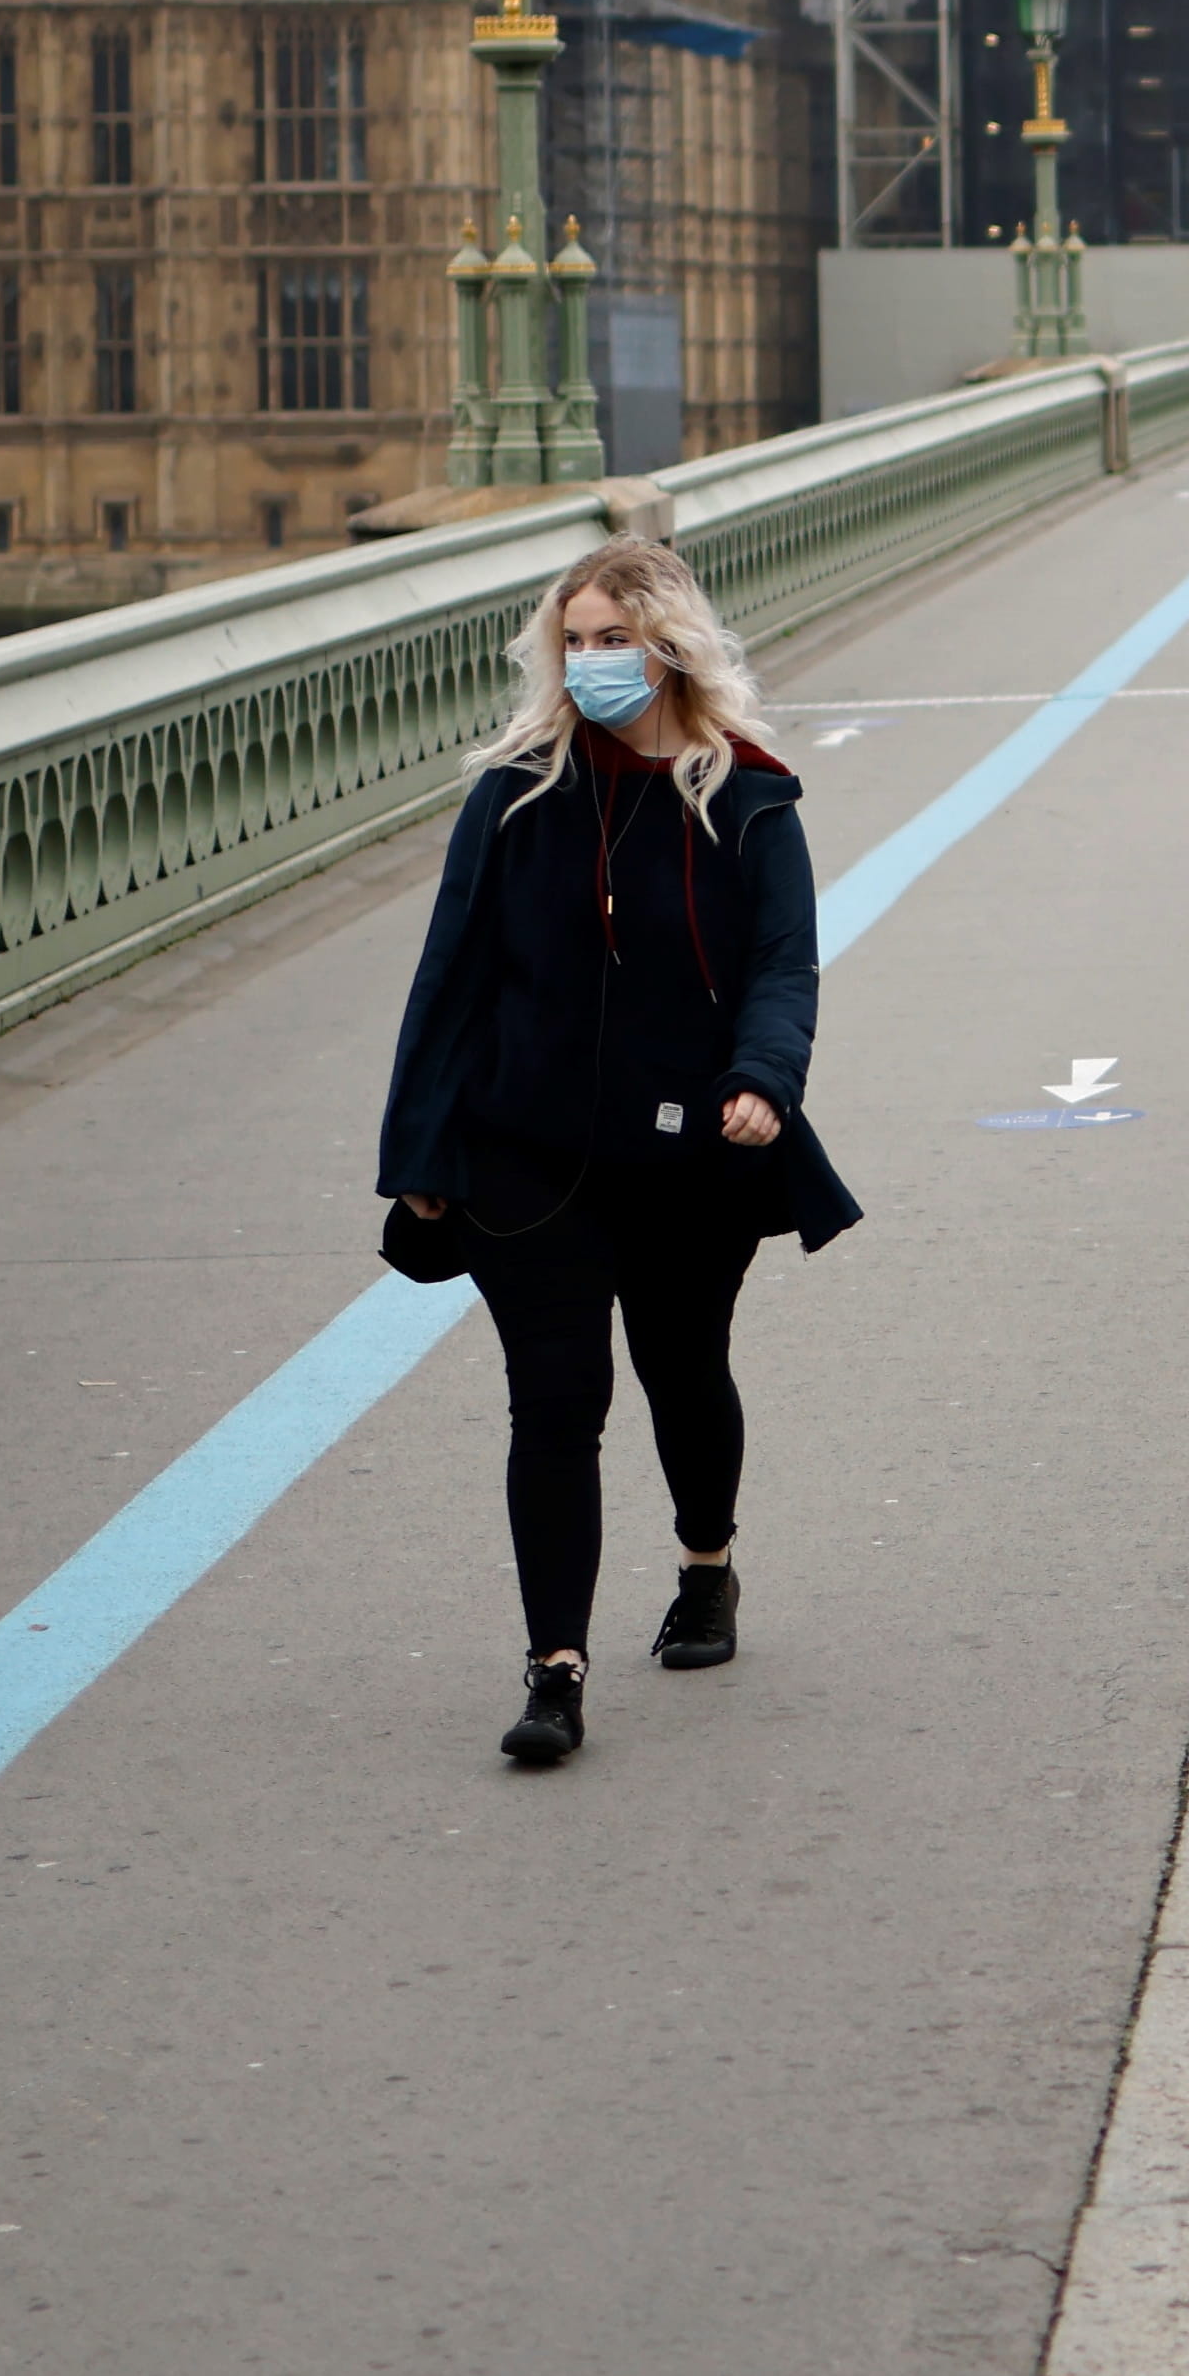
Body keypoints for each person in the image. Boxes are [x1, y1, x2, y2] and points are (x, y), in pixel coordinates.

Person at [374, 536, 862, 1773]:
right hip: (524, 1150)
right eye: (575, 640)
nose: (592, 660)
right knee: (555, 1401)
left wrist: (761, 1078)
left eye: (613, 638)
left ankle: (707, 1563)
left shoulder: (745, 793)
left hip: (686, 1148)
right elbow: (451, 978)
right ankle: (556, 1667)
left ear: (670, 644)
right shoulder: (518, 793)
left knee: (681, 1368)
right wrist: (421, 1148)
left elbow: (781, 963)